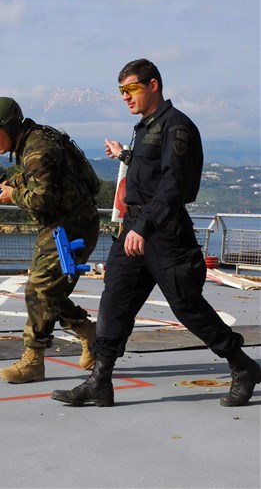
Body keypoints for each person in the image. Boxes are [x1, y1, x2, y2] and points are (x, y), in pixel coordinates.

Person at [51, 59, 261, 407]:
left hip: (164, 233)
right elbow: (151, 171)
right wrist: (126, 156)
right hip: (134, 228)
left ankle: (242, 365)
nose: (125, 97)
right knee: (115, 300)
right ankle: (100, 380)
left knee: (187, 306)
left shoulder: (177, 127)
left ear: (152, 85)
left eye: (131, 89)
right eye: (121, 91)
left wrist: (145, 227)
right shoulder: (145, 127)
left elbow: (173, 185)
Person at [0, 97, 100, 383]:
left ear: (8, 127)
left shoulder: (36, 148)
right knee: (47, 290)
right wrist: (16, 184)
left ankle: (34, 360)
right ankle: (87, 332)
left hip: (71, 228)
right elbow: (41, 177)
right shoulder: (34, 139)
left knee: (39, 290)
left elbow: (42, 197)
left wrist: (13, 195)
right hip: (68, 225)